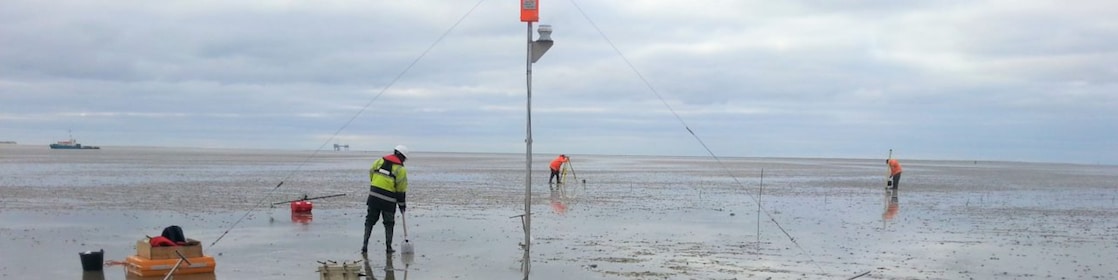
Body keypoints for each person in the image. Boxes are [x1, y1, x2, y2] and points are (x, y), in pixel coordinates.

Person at [363, 145, 409, 254]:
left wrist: (375, 185)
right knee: (389, 223)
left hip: (373, 196)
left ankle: (364, 246)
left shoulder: (379, 161)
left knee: (369, 221)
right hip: (388, 201)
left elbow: (371, 173)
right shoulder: (401, 169)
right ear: (402, 157)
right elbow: (401, 189)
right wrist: (402, 205)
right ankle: (388, 247)